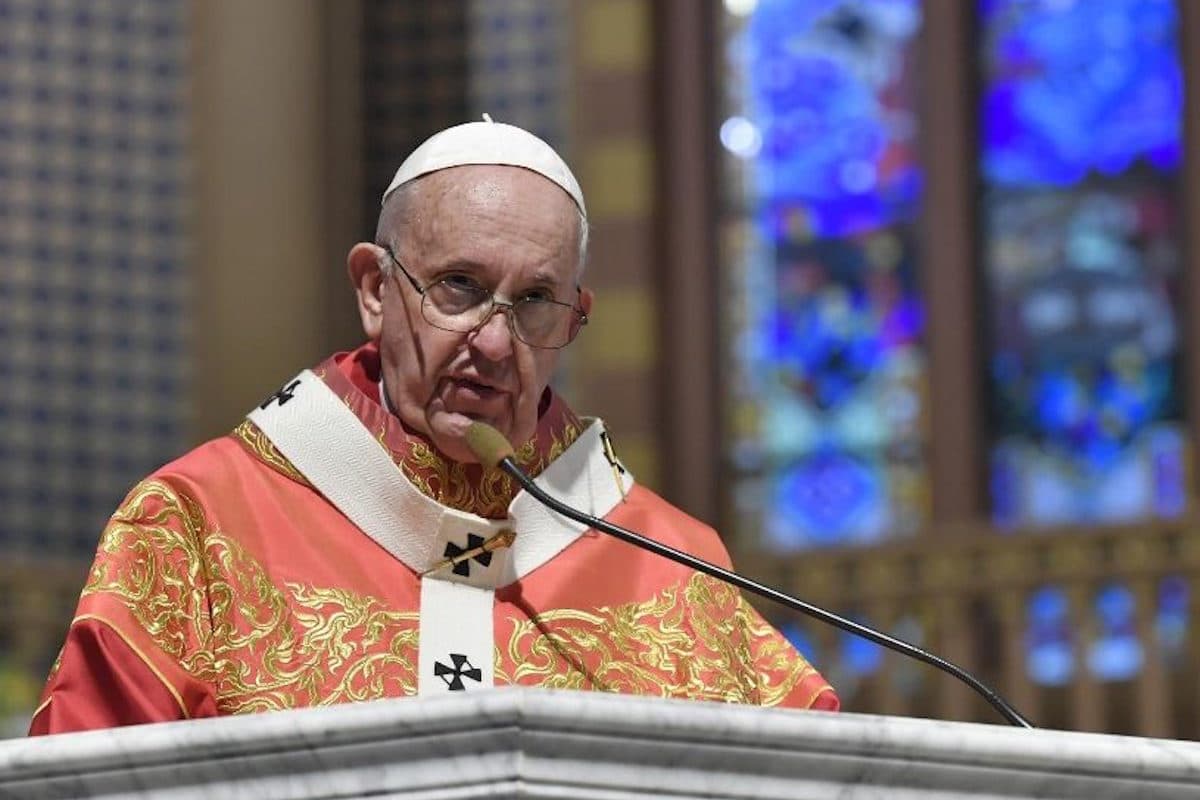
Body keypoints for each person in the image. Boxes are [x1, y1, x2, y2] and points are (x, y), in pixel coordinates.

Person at [30, 118, 837, 734]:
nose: (493, 341)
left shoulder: (675, 567)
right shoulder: (194, 528)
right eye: (458, 287)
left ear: (576, 315)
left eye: (535, 302)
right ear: (375, 289)